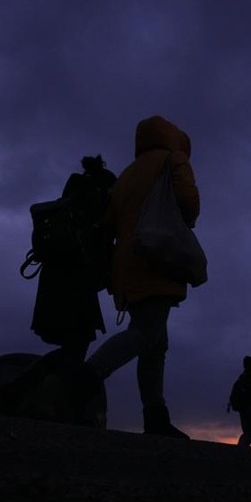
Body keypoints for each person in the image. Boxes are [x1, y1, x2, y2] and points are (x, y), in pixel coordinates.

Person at [77, 115, 200, 438]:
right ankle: (85, 376)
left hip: (127, 266)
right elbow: (189, 203)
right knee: (146, 333)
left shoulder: (127, 174)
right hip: (158, 259)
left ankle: (156, 416)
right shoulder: (173, 160)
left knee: (156, 342)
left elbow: (109, 222)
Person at [6, 156, 117, 424]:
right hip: (74, 281)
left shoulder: (71, 198)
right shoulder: (92, 201)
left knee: (74, 348)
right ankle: (23, 393)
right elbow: (96, 244)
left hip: (58, 280)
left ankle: (33, 396)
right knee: (76, 348)